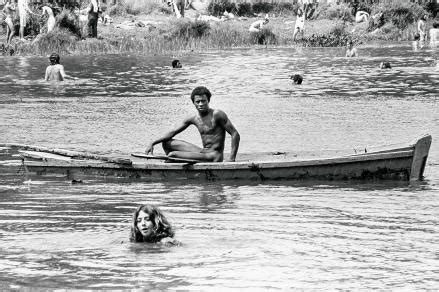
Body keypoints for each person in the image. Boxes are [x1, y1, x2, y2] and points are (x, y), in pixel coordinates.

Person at [145, 86, 240, 162]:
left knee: (172, 154)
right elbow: (173, 132)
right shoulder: (193, 117)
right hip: (203, 152)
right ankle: (179, 161)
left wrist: (232, 158)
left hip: (214, 155)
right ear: (193, 103)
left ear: (208, 101)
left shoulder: (217, 114)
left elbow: (235, 134)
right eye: (197, 102)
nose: (201, 104)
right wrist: (152, 143)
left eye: (203, 101)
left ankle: (174, 161)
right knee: (166, 143)